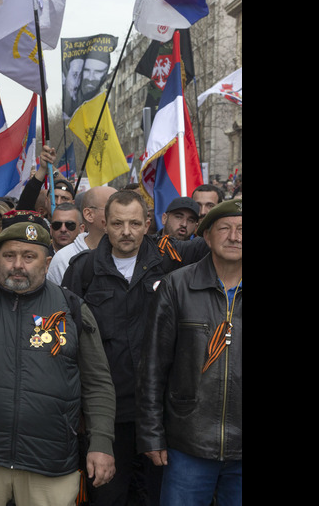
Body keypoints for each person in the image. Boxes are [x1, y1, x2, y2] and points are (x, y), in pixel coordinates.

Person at [0, 222, 116, 505]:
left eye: (29, 257)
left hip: (50, 459)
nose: (18, 265)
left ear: (47, 262)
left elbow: (98, 383)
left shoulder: (72, 309)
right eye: (9, 255)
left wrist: (101, 443)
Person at [63, 191, 206, 506]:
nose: (126, 231)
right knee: (108, 497)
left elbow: (221, 238)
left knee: (157, 497)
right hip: (108, 417)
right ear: (105, 223)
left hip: (162, 416)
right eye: (117, 223)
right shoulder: (83, 270)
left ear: (148, 225)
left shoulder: (173, 260)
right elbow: (68, 342)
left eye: (134, 223)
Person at [136, 200, 242, 505]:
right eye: (225, 229)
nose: (234, 237)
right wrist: (152, 434)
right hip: (188, 441)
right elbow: (153, 366)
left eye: (241, 230)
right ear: (206, 236)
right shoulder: (177, 286)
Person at [46, 185, 116, 285]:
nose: (120, 214)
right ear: (89, 214)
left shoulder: (128, 252)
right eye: (111, 208)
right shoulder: (63, 260)